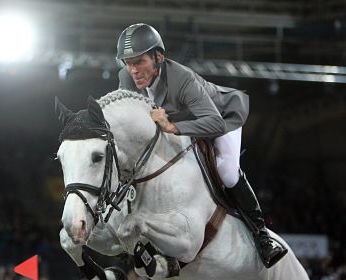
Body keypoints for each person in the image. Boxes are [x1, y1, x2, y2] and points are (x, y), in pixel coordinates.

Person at [116, 23, 287, 268]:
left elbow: (214, 123)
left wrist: (173, 127)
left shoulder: (181, 78)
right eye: (128, 62)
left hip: (222, 116)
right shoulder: (126, 78)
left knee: (227, 171)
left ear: (158, 57)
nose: (133, 70)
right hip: (180, 123)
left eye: (139, 61)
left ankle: (262, 236)